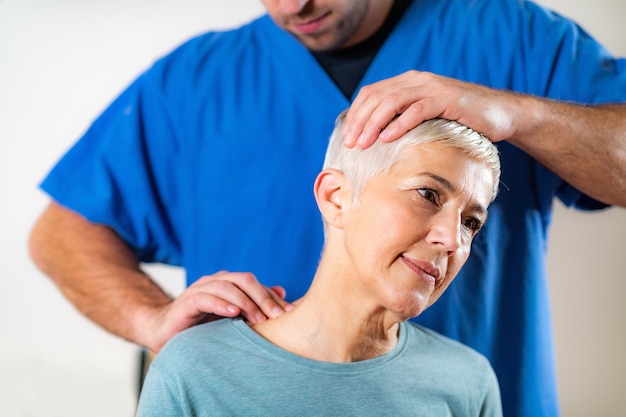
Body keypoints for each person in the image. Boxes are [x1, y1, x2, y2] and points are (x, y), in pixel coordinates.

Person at [27, 1, 626, 416]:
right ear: (332, 194)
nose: (295, 5)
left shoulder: (514, 37)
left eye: (469, 218)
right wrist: (152, 323)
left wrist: (517, 114)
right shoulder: (193, 81)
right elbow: (62, 233)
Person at [135, 112, 503, 417]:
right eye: (428, 194)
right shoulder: (194, 370)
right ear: (336, 198)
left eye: (471, 222)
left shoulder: (468, 383)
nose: (453, 240)